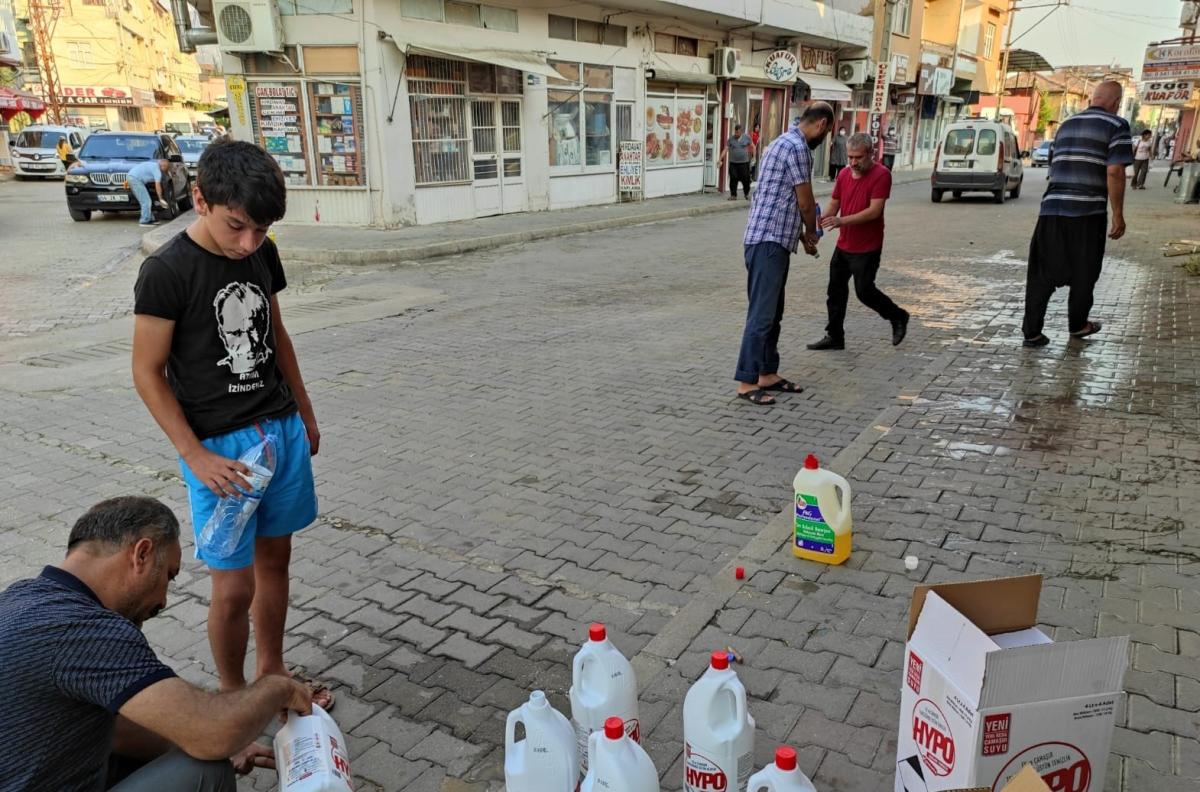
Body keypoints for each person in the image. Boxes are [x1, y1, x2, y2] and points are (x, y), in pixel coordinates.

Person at [131, 139, 331, 711]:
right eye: (237, 226)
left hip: (280, 429)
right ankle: (230, 697)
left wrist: (305, 411)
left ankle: (272, 673)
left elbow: (278, 335)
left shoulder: (261, 253)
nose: (249, 243)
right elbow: (147, 373)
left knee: (276, 562)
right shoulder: (166, 271)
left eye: (262, 230)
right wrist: (193, 455)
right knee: (233, 584)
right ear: (200, 199)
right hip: (218, 450)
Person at [0, 496, 314, 791]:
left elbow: (120, 731)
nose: (163, 600)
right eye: (169, 575)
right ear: (142, 554)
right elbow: (213, 734)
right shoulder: (86, 631)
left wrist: (192, 736)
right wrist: (277, 688)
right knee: (207, 770)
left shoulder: (20, 598)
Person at [734, 102, 833, 406]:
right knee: (762, 317)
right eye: (825, 133)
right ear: (822, 125)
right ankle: (747, 382)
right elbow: (804, 201)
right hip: (769, 242)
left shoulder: (779, 142)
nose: (823, 139)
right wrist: (812, 232)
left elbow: (784, 199)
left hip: (770, 240)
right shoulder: (798, 148)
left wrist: (801, 234)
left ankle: (767, 374)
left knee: (773, 314)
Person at [1021, 81, 1132, 347]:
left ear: (1093, 98)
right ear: (1116, 102)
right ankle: (1078, 325)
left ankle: (1032, 332)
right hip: (1087, 212)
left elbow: (1055, 165)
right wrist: (1118, 214)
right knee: (1085, 272)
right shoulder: (1117, 125)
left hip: (1051, 210)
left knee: (1040, 275)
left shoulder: (1066, 125)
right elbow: (1115, 171)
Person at [808, 133, 910, 351]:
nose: (853, 162)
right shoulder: (844, 174)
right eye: (850, 157)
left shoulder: (882, 175)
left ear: (871, 154)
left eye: (858, 158)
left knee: (864, 292)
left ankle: (898, 316)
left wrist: (841, 221)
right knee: (834, 291)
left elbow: (874, 211)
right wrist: (819, 225)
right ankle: (835, 336)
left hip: (867, 246)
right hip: (844, 245)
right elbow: (834, 205)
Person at [126, 158, 170, 227]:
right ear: (163, 166)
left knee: (147, 199)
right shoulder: (157, 171)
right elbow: (157, 185)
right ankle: (144, 221)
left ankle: (150, 219)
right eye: (167, 168)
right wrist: (160, 198)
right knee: (146, 201)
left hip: (132, 177)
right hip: (135, 179)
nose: (166, 170)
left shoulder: (154, 165)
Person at [719, 123, 755, 200]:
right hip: (733, 163)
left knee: (746, 179)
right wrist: (720, 159)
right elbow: (726, 149)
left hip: (744, 163)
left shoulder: (747, 138)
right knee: (733, 178)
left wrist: (754, 157)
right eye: (735, 132)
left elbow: (753, 147)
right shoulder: (731, 139)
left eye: (737, 132)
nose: (736, 134)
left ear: (741, 132)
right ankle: (733, 195)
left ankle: (746, 194)